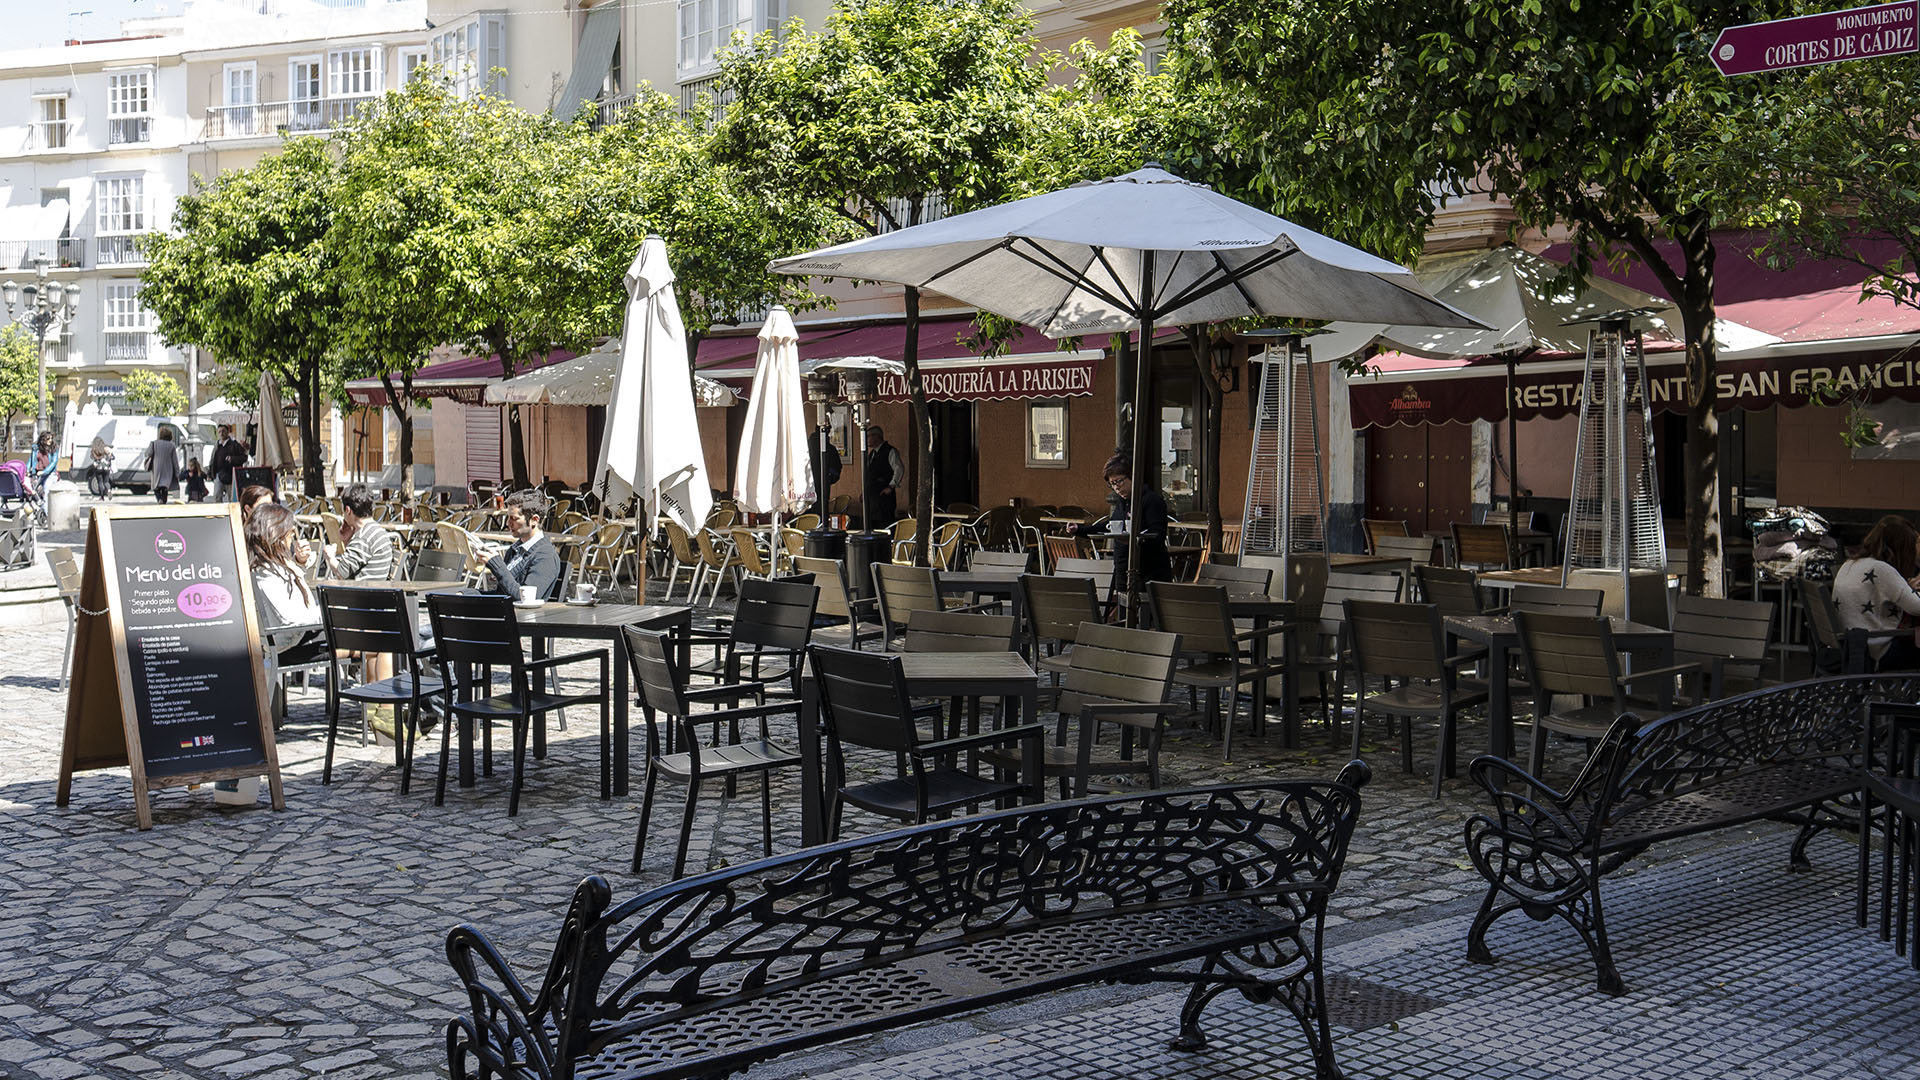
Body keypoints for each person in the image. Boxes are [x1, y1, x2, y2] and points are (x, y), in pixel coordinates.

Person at [1833, 515, 1920, 672]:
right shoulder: (1882, 569)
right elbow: (1917, 607)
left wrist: (1906, 587)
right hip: (1877, 650)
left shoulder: (1852, 562)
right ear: (1901, 548)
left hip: (1852, 645)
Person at [246, 503, 328, 666]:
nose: (292, 539)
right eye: (290, 533)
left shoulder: (265, 564)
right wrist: (329, 614)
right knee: (372, 643)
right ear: (278, 535)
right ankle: (375, 690)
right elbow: (291, 618)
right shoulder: (266, 571)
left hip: (292, 640)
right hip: (291, 646)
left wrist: (298, 562)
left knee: (365, 637)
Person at [1076, 452, 1172, 588]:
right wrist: (1079, 530)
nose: (1116, 487)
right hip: (1122, 568)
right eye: (1112, 484)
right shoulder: (1123, 501)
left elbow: (1158, 534)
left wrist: (1135, 539)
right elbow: (1111, 526)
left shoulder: (1151, 500)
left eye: (1119, 481)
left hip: (1148, 570)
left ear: (1133, 477)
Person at [484, 489, 563, 601]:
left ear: (534, 520)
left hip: (520, 617)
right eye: (508, 517)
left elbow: (527, 600)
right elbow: (501, 594)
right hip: (502, 614)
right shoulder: (516, 549)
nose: (508, 523)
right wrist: (466, 593)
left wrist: (498, 568)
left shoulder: (545, 557)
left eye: (514, 518)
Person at [332, 483, 394, 581]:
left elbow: (341, 573)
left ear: (348, 510)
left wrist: (329, 557)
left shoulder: (363, 538)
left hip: (361, 593)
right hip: (375, 591)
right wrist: (346, 541)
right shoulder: (378, 531)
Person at [863, 423, 905, 527]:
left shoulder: (890, 451)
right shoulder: (871, 454)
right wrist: (864, 490)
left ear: (877, 436)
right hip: (872, 497)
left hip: (884, 496)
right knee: (872, 525)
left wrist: (891, 486)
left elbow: (899, 468)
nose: (867, 439)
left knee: (885, 524)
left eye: (868, 436)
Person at [210, 425, 249, 501]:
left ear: (228, 432)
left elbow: (244, 458)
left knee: (231, 497)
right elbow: (213, 459)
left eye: (223, 431)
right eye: (220, 431)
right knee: (217, 496)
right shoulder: (217, 445)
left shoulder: (234, 445)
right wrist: (211, 472)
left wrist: (232, 459)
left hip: (230, 475)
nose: (221, 433)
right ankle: (219, 512)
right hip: (219, 474)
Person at [145, 428, 180, 504]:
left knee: (156, 487)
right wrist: (177, 472)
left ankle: (159, 499)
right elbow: (175, 460)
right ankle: (163, 501)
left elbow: (148, 453)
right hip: (168, 470)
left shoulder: (154, 443)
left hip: (157, 468)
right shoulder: (171, 445)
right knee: (165, 486)